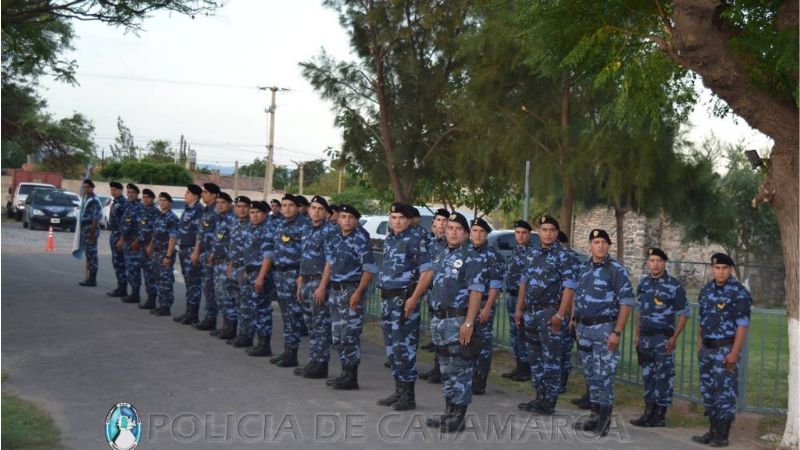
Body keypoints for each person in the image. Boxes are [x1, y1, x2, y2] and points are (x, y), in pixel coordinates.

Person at [423, 212, 486, 433]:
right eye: (450, 228)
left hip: (458, 319)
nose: (453, 232)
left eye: (458, 229)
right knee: (445, 367)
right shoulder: (441, 254)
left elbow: (476, 291)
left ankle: (458, 417)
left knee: (459, 367)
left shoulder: (471, 257)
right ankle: (448, 412)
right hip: (440, 319)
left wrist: (469, 323)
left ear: (466, 234)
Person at [572, 229, 634, 436]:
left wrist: (617, 331)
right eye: (596, 242)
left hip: (605, 329)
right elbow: (577, 296)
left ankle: (604, 422)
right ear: (590, 245)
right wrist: (575, 321)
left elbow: (626, 302)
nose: (600, 245)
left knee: (603, 376)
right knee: (590, 375)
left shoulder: (616, 270)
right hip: (584, 329)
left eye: (603, 242)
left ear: (608, 246)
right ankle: (594, 416)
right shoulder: (583, 268)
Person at [515, 215, 576, 415]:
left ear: (557, 233)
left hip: (550, 313)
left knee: (551, 359)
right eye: (544, 230)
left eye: (551, 230)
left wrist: (560, 314)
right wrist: (519, 309)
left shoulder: (563, 256)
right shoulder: (531, 254)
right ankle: (539, 396)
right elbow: (524, 282)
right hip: (531, 312)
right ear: (539, 232)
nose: (548, 233)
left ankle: (549, 401)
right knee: (535, 358)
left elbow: (569, 287)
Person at [376, 202, 433, 410]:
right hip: (387, 299)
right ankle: (399, 390)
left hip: (404, 300)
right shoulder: (391, 238)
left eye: (401, 218)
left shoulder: (416, 239)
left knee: (404, 348)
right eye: (393, 218)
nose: (397, 222)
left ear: (408, 220)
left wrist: (414, 298)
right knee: (392, 348)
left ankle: (409, 396)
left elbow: (427, 272)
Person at [691, 253, 751, 447]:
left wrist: (733, 353)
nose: (721, 271)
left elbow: (742, 325)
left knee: (725, 392)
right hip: (707, 349)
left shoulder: (738, 292)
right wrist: (700, 346)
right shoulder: (706, 290)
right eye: (717, 268)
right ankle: (712, 431)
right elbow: (702, 321)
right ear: (712, 269)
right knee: (709, 390)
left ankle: (722, 435)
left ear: (730, 269)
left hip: (725, 349)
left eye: (725, 268)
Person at [631, 247, 689, 428]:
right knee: (648, 376)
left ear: (664, 263)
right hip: (645, 338)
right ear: (647, 263)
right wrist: (637, 335)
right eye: (652, 261)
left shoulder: (674, 286)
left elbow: (684, 313)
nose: (655, 264)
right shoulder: (643, 284)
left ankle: (660, 415)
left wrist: (674, 337)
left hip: (663, 339)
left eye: (659, 261)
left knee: (663, 376)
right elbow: (639, 311)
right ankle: (648, 412)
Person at [326, 204, 377, 390]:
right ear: (338, 219)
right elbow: (330, 264)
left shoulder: (360, 239)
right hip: (335, 290)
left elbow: (369, 270)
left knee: (350, 336)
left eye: (350, 217)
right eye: (343, 217)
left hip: (351, 290)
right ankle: (344, 372)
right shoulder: (335, 238)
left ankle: (351, 376)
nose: (346, 220)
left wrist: (358, 292)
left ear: (356, 221)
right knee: (337, 336)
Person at [265, 194, 312, 368]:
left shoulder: (304, 225)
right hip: (280, 274)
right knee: (286, 314)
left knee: (294, 315)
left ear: (298, 207)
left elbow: (307, 253)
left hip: (294, 274)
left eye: (290, 205)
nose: (286, 208)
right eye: (284, 205)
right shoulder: (280, 224)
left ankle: (292, 354)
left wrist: (301, 275)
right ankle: (287, 352)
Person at [294, 195, 338, 378]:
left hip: (319, 282)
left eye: (320, 209)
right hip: (306, 281)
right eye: (313, 208)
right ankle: (314, 360)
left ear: (327, 213)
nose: (316, 211)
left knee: (320, 325)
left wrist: (322, 286)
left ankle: (321, 364)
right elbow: (303, 257)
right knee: (311, 324)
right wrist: (300, 281)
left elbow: (330, 262)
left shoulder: (330, 231)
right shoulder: (307, 230)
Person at [231, 201, 275, 355]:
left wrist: (261, 277)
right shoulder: (251, 228)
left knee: (262, 310)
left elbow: (268, 256)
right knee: (249, 307)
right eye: (252, 212)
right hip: (250, 272)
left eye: (258, 212)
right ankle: (248, 337)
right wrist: (245, 268)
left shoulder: (267, 229)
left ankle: (264, 345)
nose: (254, 216)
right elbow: (248, 251)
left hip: (261, 273)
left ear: (265, 214)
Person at [469, 217, 505, 395]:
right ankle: (468, 376)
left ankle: (480, 380)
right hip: (467, 303)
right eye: (475, 231)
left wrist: (488, 307)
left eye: (481, 231)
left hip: (483, 303)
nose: (477, 234)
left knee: (482, 344)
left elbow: (496, 284)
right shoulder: (466, 251)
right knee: (467, 341)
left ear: (486, 234)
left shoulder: (492, 254)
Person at [418, 208, 449, 383]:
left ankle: (443, 371)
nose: (441, 224)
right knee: (436, 333)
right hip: (432, 294)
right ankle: (437, 368)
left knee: (445, 335)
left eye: (445, 221)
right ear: (433, 223)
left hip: (446, 296)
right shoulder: (430, 243)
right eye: (438, 220)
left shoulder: (451, 244)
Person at [501, 220, 533, 382]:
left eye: (524, 233)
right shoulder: (516, 251)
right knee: (514, 333)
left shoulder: (532, 254)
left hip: (523, 299)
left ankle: (526, 368)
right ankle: (519, 365)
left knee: (522, 333)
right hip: (511, 296)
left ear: (529, 235)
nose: (520, 236)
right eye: (518, 233)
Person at [172, 185, 204, 325]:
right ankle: (188, 312)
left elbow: (200, 234)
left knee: (193, 283)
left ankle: (193, 314)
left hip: (192, 250)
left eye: (188, 193)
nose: (185, 194)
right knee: (189, 282)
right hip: (184, 249)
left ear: (195, 196)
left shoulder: (199, 211)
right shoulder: (188, 209)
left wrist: (196, 251)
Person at [209, 192, 238, 339]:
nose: (219, 205)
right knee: (220, 296)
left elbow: (234, 243)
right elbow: (218, 241)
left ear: (230, 204)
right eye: (218, 203)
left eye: (223, 203)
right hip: (218, 262)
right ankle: (225, 326)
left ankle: (231, 328)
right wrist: (213, 254)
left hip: (227, 263)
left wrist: (231, 263)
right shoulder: (220, 219)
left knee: (228, 296)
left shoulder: (233, 220)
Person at [222, 196, 252, 340]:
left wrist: (247, 268)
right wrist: (230, 263)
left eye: (245, 206)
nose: (242, 209)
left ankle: (245, 335)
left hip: (245, 269)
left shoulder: (252, 225)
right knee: (232, 299)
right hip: (233, 267)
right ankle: (232, 330)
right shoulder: (234, 224)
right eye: (239, 206)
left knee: (245, 303)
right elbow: (232, 246)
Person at [192, 183, 220, 331]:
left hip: (212, 255)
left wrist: (213, 253)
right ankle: (209, 317)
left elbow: (219, 236)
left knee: (211, 289)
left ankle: (211, 319)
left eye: (205, 192)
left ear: (214, 195)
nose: (202, 194)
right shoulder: (206, 210)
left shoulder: (217, 211)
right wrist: (196, 251)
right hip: (204, 253)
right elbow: (201, 234)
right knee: (207, 287)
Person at [148, 192, 179, 316]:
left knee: (166, 280)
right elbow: (154, 233)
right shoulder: (159, 216)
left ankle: (166, 306)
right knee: (158, 279)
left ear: (170, 203)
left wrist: (168, 256)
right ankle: (161, 304)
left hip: (165, 252)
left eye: (165, 200)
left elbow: (173, 238)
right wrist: (150, 246)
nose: (162, 202)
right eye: (160, 200)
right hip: (157, 252)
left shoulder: (172, 218)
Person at [118, 184, 145, 304]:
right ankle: (133, 292)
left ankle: (135, 294)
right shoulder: (129, 207)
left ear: (137, 194)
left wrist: (137, 241)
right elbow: (125, 225)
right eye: (128, 192)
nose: (130, 194)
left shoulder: (139, 208)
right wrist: (122, 239)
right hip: (127, 242)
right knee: (129, 268)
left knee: (134, 269)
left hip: (135, 243)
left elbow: (142, 228)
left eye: (133, 192)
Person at [78, 179, 103, 287]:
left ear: (92, 188)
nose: (86, 189)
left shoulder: (94, 200)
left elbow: (95, 218)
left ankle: (92, 279)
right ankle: (89, 278)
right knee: (88, 254)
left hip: (90, 230)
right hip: (86, 230)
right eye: (84, 187)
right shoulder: (86, 198)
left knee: (92, 255)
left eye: (88, 187)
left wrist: (92, 233)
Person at [137, 189, 159, 309]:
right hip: (142, 246)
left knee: (151, 274)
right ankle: (149, 298)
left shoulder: (155, 212)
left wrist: (151, 245)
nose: (145, 199)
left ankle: (152, 299)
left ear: (152, 199)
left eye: (148, 197)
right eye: (143, 197)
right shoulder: (143, 211)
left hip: (150, 247)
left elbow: (155, 232)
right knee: (146, 273)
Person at [106, 182, 129, 297]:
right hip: (114, 234)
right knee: (116, 262)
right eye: (112, 190)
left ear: (121, 190)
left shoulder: (123, 203)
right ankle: (120, 286)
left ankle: (122, 288)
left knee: (120, 263)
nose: (113, 192)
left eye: (116, 190)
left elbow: (124, 223)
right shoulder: (115, 202)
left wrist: (121, 238)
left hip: (120, 236)